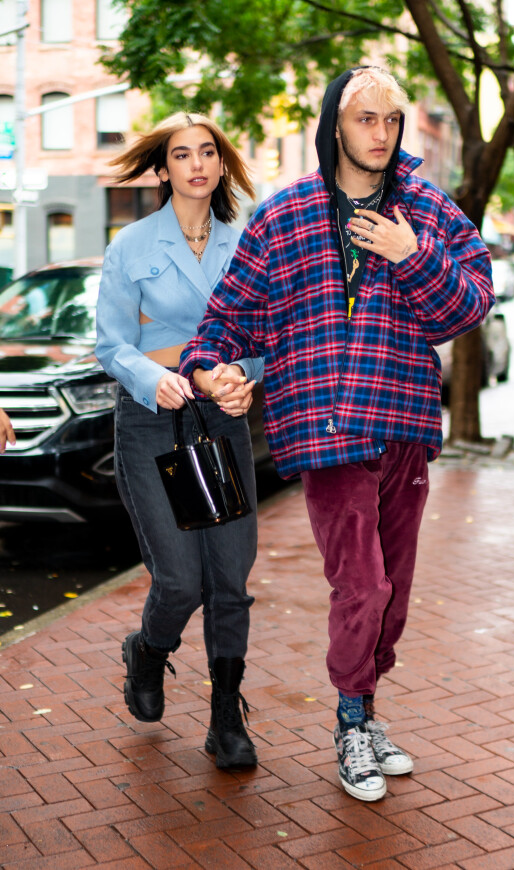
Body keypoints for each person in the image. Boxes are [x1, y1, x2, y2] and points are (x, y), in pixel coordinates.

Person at [180, 67, 495, 801]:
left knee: (395, 594)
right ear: (334, 125)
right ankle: (350, 722)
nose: (380, 134)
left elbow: (469, 306)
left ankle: (368, 708)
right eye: (365, 119)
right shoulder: (285, 216)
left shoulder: (430, 213)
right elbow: (226, 320)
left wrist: (409, 254)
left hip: (405, 426)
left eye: (391, 120)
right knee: (363, 584)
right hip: (324, 430)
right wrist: (209, 371)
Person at [95, 111, 264, 770]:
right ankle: (148, 648)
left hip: (217, 420)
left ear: (221, 165)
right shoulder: (131, 245)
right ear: (163, 169)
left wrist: (244, 377)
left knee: (229, 579)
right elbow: (112, 343)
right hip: (150, 419)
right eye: (181, 154)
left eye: (208, 152)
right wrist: (149, 374)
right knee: (179, 581)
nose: (196, 163)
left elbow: (261, 338)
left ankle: (226, 717)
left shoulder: (242, 245)